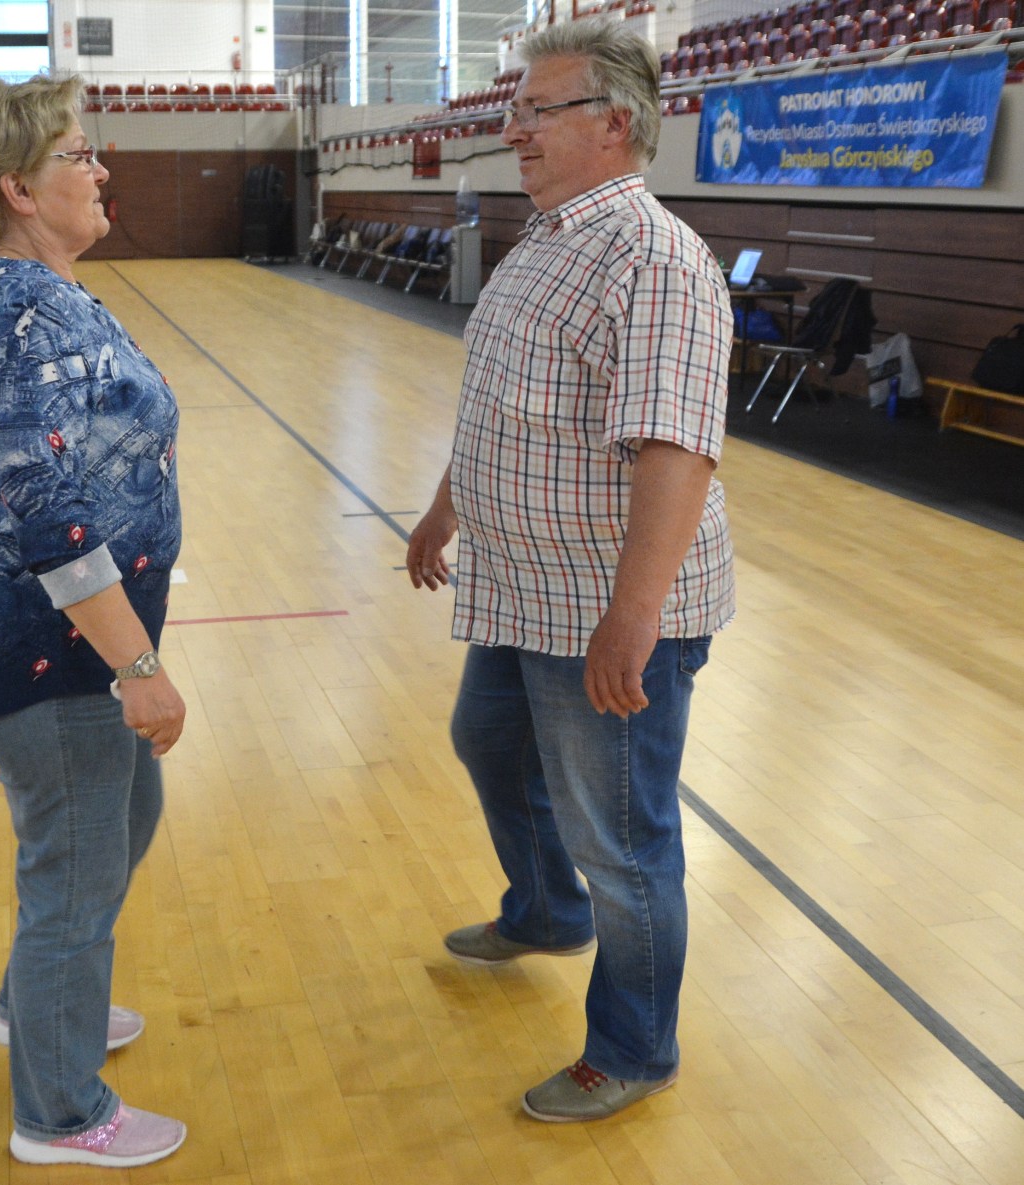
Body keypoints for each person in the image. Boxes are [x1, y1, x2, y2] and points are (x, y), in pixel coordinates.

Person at [405, 19, 735, 1123]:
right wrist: (444, 510)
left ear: (614, 124)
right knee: (488, 739)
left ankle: (636, 1049)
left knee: (624, 843)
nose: (514, 130)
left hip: (604, 607)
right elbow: (502, 407)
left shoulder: (655, 260)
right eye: (517, 110)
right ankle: (549, 911)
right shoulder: (546, 238)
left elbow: (675, 452)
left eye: (538, 111)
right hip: (523, 588)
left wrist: (634, 618)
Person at [0, 75, 186, 1169]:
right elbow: (52, 524)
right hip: (46, 647)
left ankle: (35, 1006)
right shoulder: (26, 317)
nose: (101, 167)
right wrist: (140, 667)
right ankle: (62, 1114)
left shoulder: (48, 291)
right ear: (18, 189)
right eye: (79, 153)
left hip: (66, 639)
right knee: (75, 875)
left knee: (122, 815)